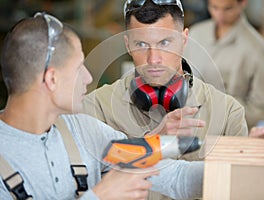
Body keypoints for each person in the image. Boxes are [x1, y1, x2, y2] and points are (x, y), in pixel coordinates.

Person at [82, 1, 264, 199]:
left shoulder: (228, 112)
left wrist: (261, 155)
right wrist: (151, 143)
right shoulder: (95, 108)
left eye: (165, 42)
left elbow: (240, 191)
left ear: (184, 39)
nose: (154, 59)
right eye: (141, 44)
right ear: (128, 44)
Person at [0, 12, 204, 200]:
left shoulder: (85, 131)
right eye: (78, 67)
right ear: (52, 79)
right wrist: (101, 195)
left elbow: (176, 177)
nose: (88, 78)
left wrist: (229, 170)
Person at [184, 0, 264, 128]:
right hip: (189, 126)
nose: (219, 15)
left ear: (243, 3)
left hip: (231, 131)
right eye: (214, 7)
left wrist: (226, 113)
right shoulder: (195, 34)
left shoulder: (257, 48)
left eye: (227, 9)